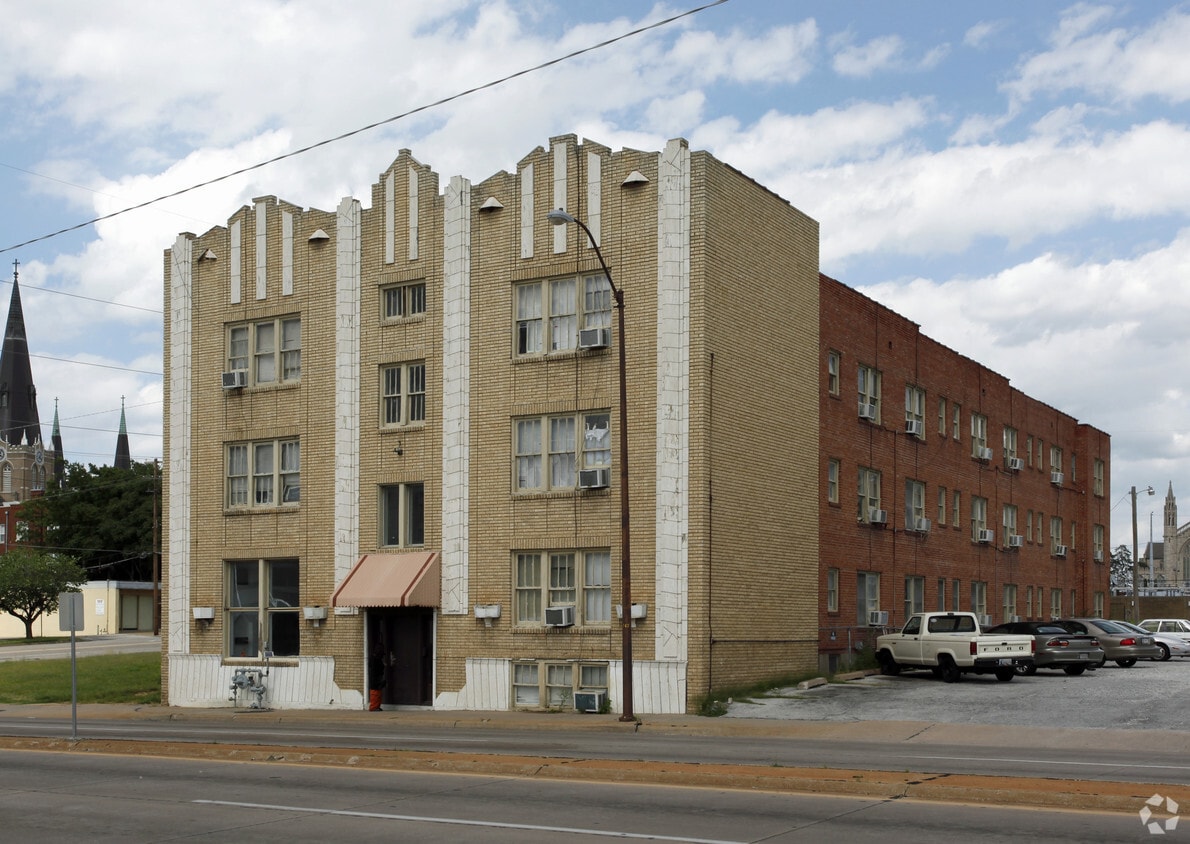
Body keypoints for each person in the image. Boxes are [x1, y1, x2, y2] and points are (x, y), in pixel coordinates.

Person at [368, 644, 386, 711]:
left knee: (378, 693)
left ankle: (376, 706)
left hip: (376, 677)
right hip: (375, 678)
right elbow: (375, 668)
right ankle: (373, 707)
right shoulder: (375, 659)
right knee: (375, 693)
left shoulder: (374, 658)